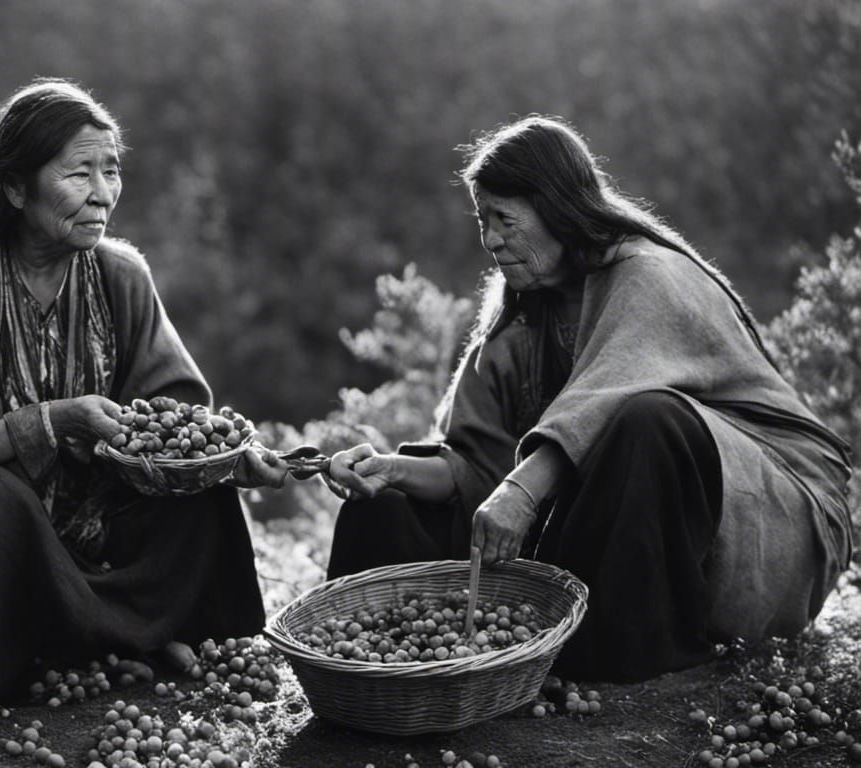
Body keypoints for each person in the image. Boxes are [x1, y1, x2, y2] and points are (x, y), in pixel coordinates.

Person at [324, 116, 852, 682]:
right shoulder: (520, 318)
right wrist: (391, 471)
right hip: (596, 519)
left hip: (768, 516)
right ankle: (366, 675)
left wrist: (522, 492)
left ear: (557, 208)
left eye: (505, 219)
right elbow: (477, 467)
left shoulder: (651, 275)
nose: (490, 239)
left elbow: (608, 397)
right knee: (384, 512)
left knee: (647, 419)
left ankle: (633, 653)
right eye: (483, 220)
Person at [0, 79, 286, 716]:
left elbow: (169, 415)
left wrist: (232, 457)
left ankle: (88, 639)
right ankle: (102, 638)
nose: (103, 194)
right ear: (15, 188)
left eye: (111, 171)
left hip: (90, 528)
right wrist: (51, 423)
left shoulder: (121, 275)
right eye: (78, 173)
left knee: (200, 493)